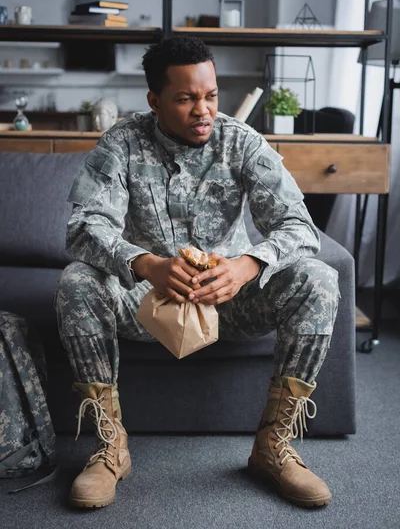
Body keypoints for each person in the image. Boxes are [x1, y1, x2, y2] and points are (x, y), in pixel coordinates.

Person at [55, 36, 339, 510]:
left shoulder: (242, 141)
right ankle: (110, 450)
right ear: (155, 100)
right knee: (77, 282)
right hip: (145, 302)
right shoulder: (121, 141)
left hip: (230, 303)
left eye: (210, 96)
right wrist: (145, 264)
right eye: (186, 99)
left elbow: (298, 226)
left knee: (318, 278)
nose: (202, 110)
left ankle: (273, 447)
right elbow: (84, 226)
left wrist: (247, 266)